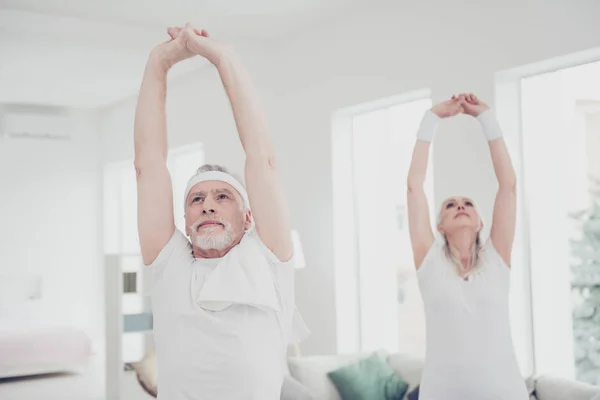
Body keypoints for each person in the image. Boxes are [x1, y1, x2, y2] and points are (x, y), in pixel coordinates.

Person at [133, 23, 309, 399]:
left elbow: (262, 159)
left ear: (249, 218)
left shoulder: (268, 258)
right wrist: (158, 63)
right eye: (196, 200)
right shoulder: (170, 264)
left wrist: (222, 57)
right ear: (185, 221)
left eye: (222, 197)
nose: (207, 204)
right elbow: (148, 165)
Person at [407, 94, 529, 399]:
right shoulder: (429, 263)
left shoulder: (496, 260)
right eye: (450, 205)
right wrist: (431, 119)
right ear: (440, 226)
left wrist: (486, 120)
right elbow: (414, 187)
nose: (460, 206)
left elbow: (508, 186)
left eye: (468, 204)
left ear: (480, 223)